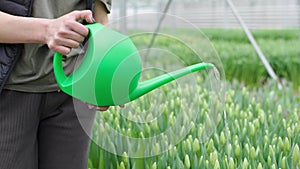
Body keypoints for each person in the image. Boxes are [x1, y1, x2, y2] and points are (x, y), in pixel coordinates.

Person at [0, 0, 113, 168]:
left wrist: (107, 70)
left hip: (75, 91)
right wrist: (46, 30)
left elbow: (100, 19)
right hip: (8, 89)